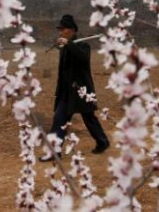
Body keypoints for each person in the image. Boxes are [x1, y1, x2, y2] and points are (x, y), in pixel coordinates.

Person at [39, 14, 110, 162]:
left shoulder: (83, 46)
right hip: (67, 92)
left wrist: (69, 44)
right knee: (59, 119)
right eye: (59, 29)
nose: (60, 32)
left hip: (82, 90)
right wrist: (66, 45)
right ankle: (54, 151)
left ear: (71, 30)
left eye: (63, 29)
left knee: (89, 118)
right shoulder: (65, 47)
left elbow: (83, 59)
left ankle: (102, 141)